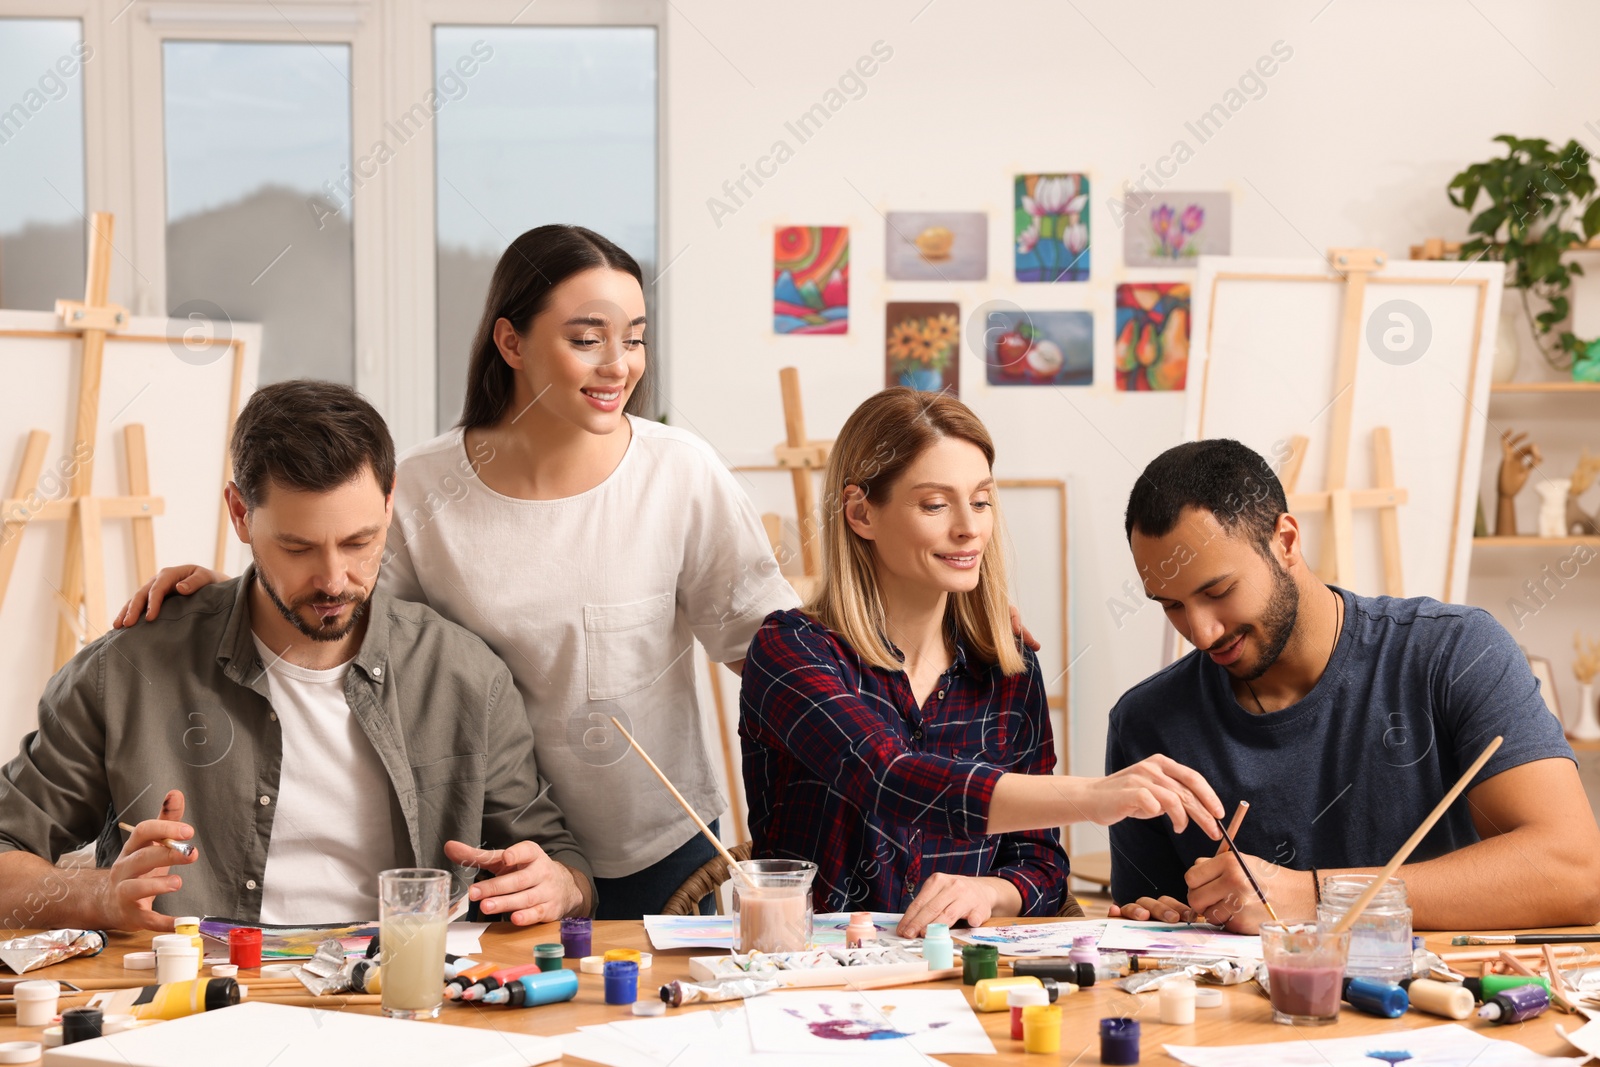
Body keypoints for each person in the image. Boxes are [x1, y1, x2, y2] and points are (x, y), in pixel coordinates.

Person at [111, 226, 799, 918]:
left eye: (635, 338)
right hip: (494, 854)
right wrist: (228, 595)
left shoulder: (679, 471)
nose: (619, 365)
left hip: (660, 854)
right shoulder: (422, 488)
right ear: (511, 343)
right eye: (588, 339)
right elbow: (337, 617)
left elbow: (771, 651)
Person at [0, 381, 591, 931]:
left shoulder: (464, 675)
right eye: (298, 547)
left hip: (402, 1005)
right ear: (239, 514)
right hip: (203, 1012)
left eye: (359, 543)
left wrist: (558, 886)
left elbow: (560, 866)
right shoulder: (128, 670)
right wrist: (98, 895)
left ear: (389, 505)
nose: (334, 580)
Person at [740, 389, 1225, 937]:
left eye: (981, 500)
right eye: (934, 504)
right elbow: (886, 777)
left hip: (963, 985)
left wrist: (985, 891)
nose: (969, 527)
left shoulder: (1007, 671)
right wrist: (1093, 796)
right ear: (861, 514)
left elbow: (1041, 867)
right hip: (814, 980)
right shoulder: (791, 651)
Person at [1106, 438, 1600, 932]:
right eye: (1170, 605)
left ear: (1286, 542)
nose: (1201, 631)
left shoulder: (1454, 653)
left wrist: (1313, 895)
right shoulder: (1146, 722)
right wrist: (1160, 919)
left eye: (1218, 591)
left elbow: (1576, 873)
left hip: (1448, 1002)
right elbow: (1157, 933)